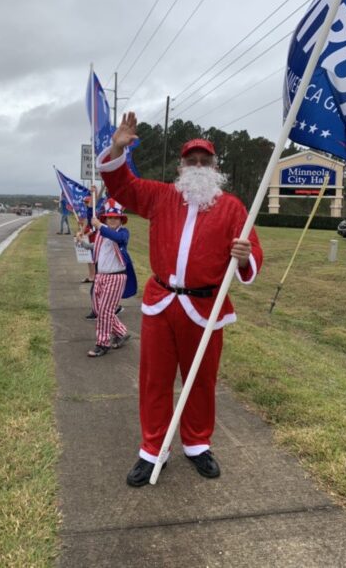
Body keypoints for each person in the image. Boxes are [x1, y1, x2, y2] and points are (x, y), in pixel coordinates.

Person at [97, 112, 263, 487]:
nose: (199, 166)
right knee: (154, 380)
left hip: (204, 309)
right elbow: (122, 186)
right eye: (193, 160)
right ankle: (153, 450)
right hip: (161, 303)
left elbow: (252, 253)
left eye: (206, 161)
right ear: (181, 166)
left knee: (201, 380)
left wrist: (244, 256)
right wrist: (117, 147)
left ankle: (197, 443)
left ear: (215, 167)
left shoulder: (232, 207)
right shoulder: (160, 197)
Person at [76, 198, 137, 357]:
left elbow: (119, 239)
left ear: (121, 220)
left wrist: (99, 226)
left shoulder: (122, 233)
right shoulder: (101, 234)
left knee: (104, 311)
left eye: (115, 218)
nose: (112, 220)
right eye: (109, 217)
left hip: (116, 278)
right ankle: (122, 333)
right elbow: (94, 239)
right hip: (100, 277)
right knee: (99, 310)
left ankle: (102, 343)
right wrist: (90, 208)